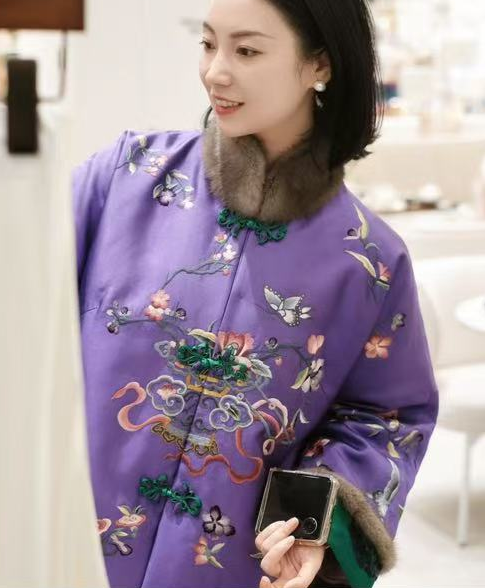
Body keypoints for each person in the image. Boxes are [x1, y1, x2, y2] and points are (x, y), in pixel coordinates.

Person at [72, 0, 439, 587]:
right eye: (207, 43)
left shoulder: (369, 261)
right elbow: (24, 308)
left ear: (319, 64)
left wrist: (311, 528)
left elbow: (385, 420)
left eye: (246, 50)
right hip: (64, 545)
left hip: (233, 565)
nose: (215, 71)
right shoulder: (126, 178)